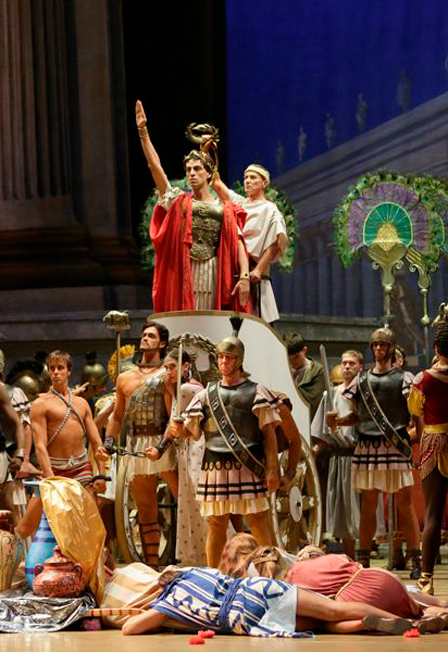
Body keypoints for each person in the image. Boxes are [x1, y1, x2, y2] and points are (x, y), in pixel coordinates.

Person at [167, 333, 281, 567]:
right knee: (216, 523)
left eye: (228, 357)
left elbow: (269, 435)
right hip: (214, 466)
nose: (223, 362)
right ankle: (215, 575)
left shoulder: (256, 392)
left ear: (239, 360)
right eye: (220, 357)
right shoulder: (205, 395)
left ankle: (269, 571)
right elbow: (191, 432)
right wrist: (179, 430)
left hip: (248, 465)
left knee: (257, 520)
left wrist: (272, 468)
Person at [135, 100, 250, 313]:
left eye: (197, 169)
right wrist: (143, 132)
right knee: (187, 318)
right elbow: (155, 168)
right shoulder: (179, 202)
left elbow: (239, 242)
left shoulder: (225, 208)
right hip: (185, 269)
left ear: (209, 173)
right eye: (188, 170)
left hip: (214, 270)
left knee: (211, 318)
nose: (192, 173)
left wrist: (244, 277)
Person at [327, 328, 421, 577]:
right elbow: (359, 416)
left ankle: (416, 559)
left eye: (383, 345)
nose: (379, 348)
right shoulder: (361, 380)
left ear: (391, 348)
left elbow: (415, 416)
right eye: (376, 345)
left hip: (395, 446)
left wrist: (417, 438)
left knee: (405, 504)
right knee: (368, 506)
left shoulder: (404, 378)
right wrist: (340, 421)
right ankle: (364, 561)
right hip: (367, 446)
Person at [218, 536, 447, 634]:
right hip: (376, 577)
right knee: (414, 604)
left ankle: (369, 623)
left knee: (326, 620)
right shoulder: (299, 560)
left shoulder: (273, 586)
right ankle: (437, 611)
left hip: (354, 598)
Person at [122, 562, 418, 637]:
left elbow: (129, 629)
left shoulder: (170, 600)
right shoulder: (195, 571)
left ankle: (365, 624)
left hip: (244, 616)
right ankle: (406, 622)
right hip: (257, 588)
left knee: (321, 626)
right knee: (333, 609)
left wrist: (157, 611)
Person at [105, 321, 177, 568]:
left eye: (151, 336)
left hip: (163, 442)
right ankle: (151, 568)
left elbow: (173, 414)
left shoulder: (167, 374)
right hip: (137, 445)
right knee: (146, 509)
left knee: (185, 501)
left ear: (162, 343)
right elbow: (117, 416)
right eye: (144, 335)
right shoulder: (125, 377)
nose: (145, 338)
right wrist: (108, 442)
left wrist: (162, 447)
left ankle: (195, 556)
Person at [16, 350, 109, 539]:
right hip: (54, 470)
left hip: (81, 469)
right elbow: (40, 445)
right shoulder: (41, 404)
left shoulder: (82, 403)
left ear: (69, 371)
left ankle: (90, 560)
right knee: (25, 529)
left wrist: (100, 473)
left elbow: (96, 442)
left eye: (60, 368)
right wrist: (50, 478)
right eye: (52, 368)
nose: (56, 372)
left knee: (92, 527)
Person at [146, 348, 207, 566]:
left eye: (172, 367)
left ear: (186, 366)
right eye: (166, 367)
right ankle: (200, 556)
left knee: (198, 502)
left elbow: (174, 427)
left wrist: (160, 449)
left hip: (195, 449)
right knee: (190, 502)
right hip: (187, 449)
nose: (168, 372)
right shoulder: (179, 389)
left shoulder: (187, 389)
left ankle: (204, 556)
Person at [212, 164, 287, 323]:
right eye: (246, 177)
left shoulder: (270, 209)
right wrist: (208, 158)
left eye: (253, 178)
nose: (247, 181)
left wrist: (258, 270)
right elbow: (217, 185)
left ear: (264, 183)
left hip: (255, 273)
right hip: (235, 270)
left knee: (258, 321)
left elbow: (274, 242)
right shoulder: (240, 203)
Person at [408, 320, 448, 595]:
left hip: (434, 442)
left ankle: (426, 579)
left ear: (436, 348)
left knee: (433, 514)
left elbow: (415, 409)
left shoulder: (422, 379)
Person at [311, 350, 363, 558]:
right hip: (339, 458)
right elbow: (322, 433)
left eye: (351, 363)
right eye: (344, 363)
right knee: (343, 512)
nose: (347, 367)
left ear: (360, 367)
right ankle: (349, 557)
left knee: (361, 510)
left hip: (362, 455)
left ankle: (364, 555)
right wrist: (315, 450)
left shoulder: (365, 393)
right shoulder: (330, 395)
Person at [285, 333, 325, 420]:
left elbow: (315, 401)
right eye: (289, 358)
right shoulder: (284, 370)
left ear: (305, 350)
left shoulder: (317, 371)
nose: (293, 361)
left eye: (296, 357)